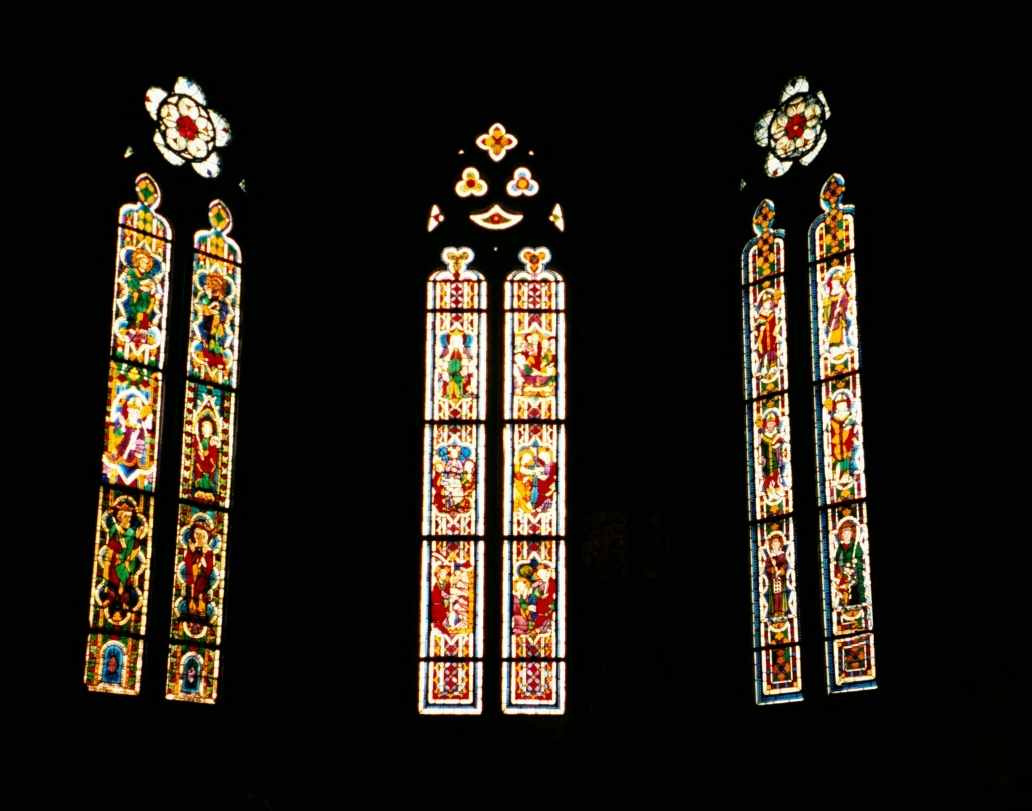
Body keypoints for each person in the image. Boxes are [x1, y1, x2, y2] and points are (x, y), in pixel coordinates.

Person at [97, 497, 149, 624]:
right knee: (114, 586)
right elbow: (109, 553)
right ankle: (112, 600)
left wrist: (129, 557)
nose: (129, 519)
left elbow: (136, 550)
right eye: (126, 517)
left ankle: (124, 603)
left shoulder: (132, 532)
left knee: (125, 587)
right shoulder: (115, 531)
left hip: (128, 565)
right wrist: (105, 573)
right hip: (115, 566)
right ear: (119, 518)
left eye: (130, 517)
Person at [833, 518, 866, 607]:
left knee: (855, 591)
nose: (846, 535)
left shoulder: (856, 546)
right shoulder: (840, 548)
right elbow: (836, 560)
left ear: (851, 534)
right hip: (843, 575)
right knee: (844, 592)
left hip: (855, 574)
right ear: (841, 535)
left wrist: (856, 562)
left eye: (848, 533)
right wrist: (842, 568)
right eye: (844, 533)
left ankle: (857, 603)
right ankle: (844, 603)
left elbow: (861, 559)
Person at [192, 415, 220, 494]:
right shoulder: (200, 440)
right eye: (204, 426)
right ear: (201, 430)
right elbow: (196, 450)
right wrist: (199, 452)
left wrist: (208, 451)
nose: (206, 428)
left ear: (212, 429)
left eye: (208, 426)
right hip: (200, 467)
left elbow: (213, 454)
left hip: (209, 466)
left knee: (208, 482)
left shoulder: (213, 440)